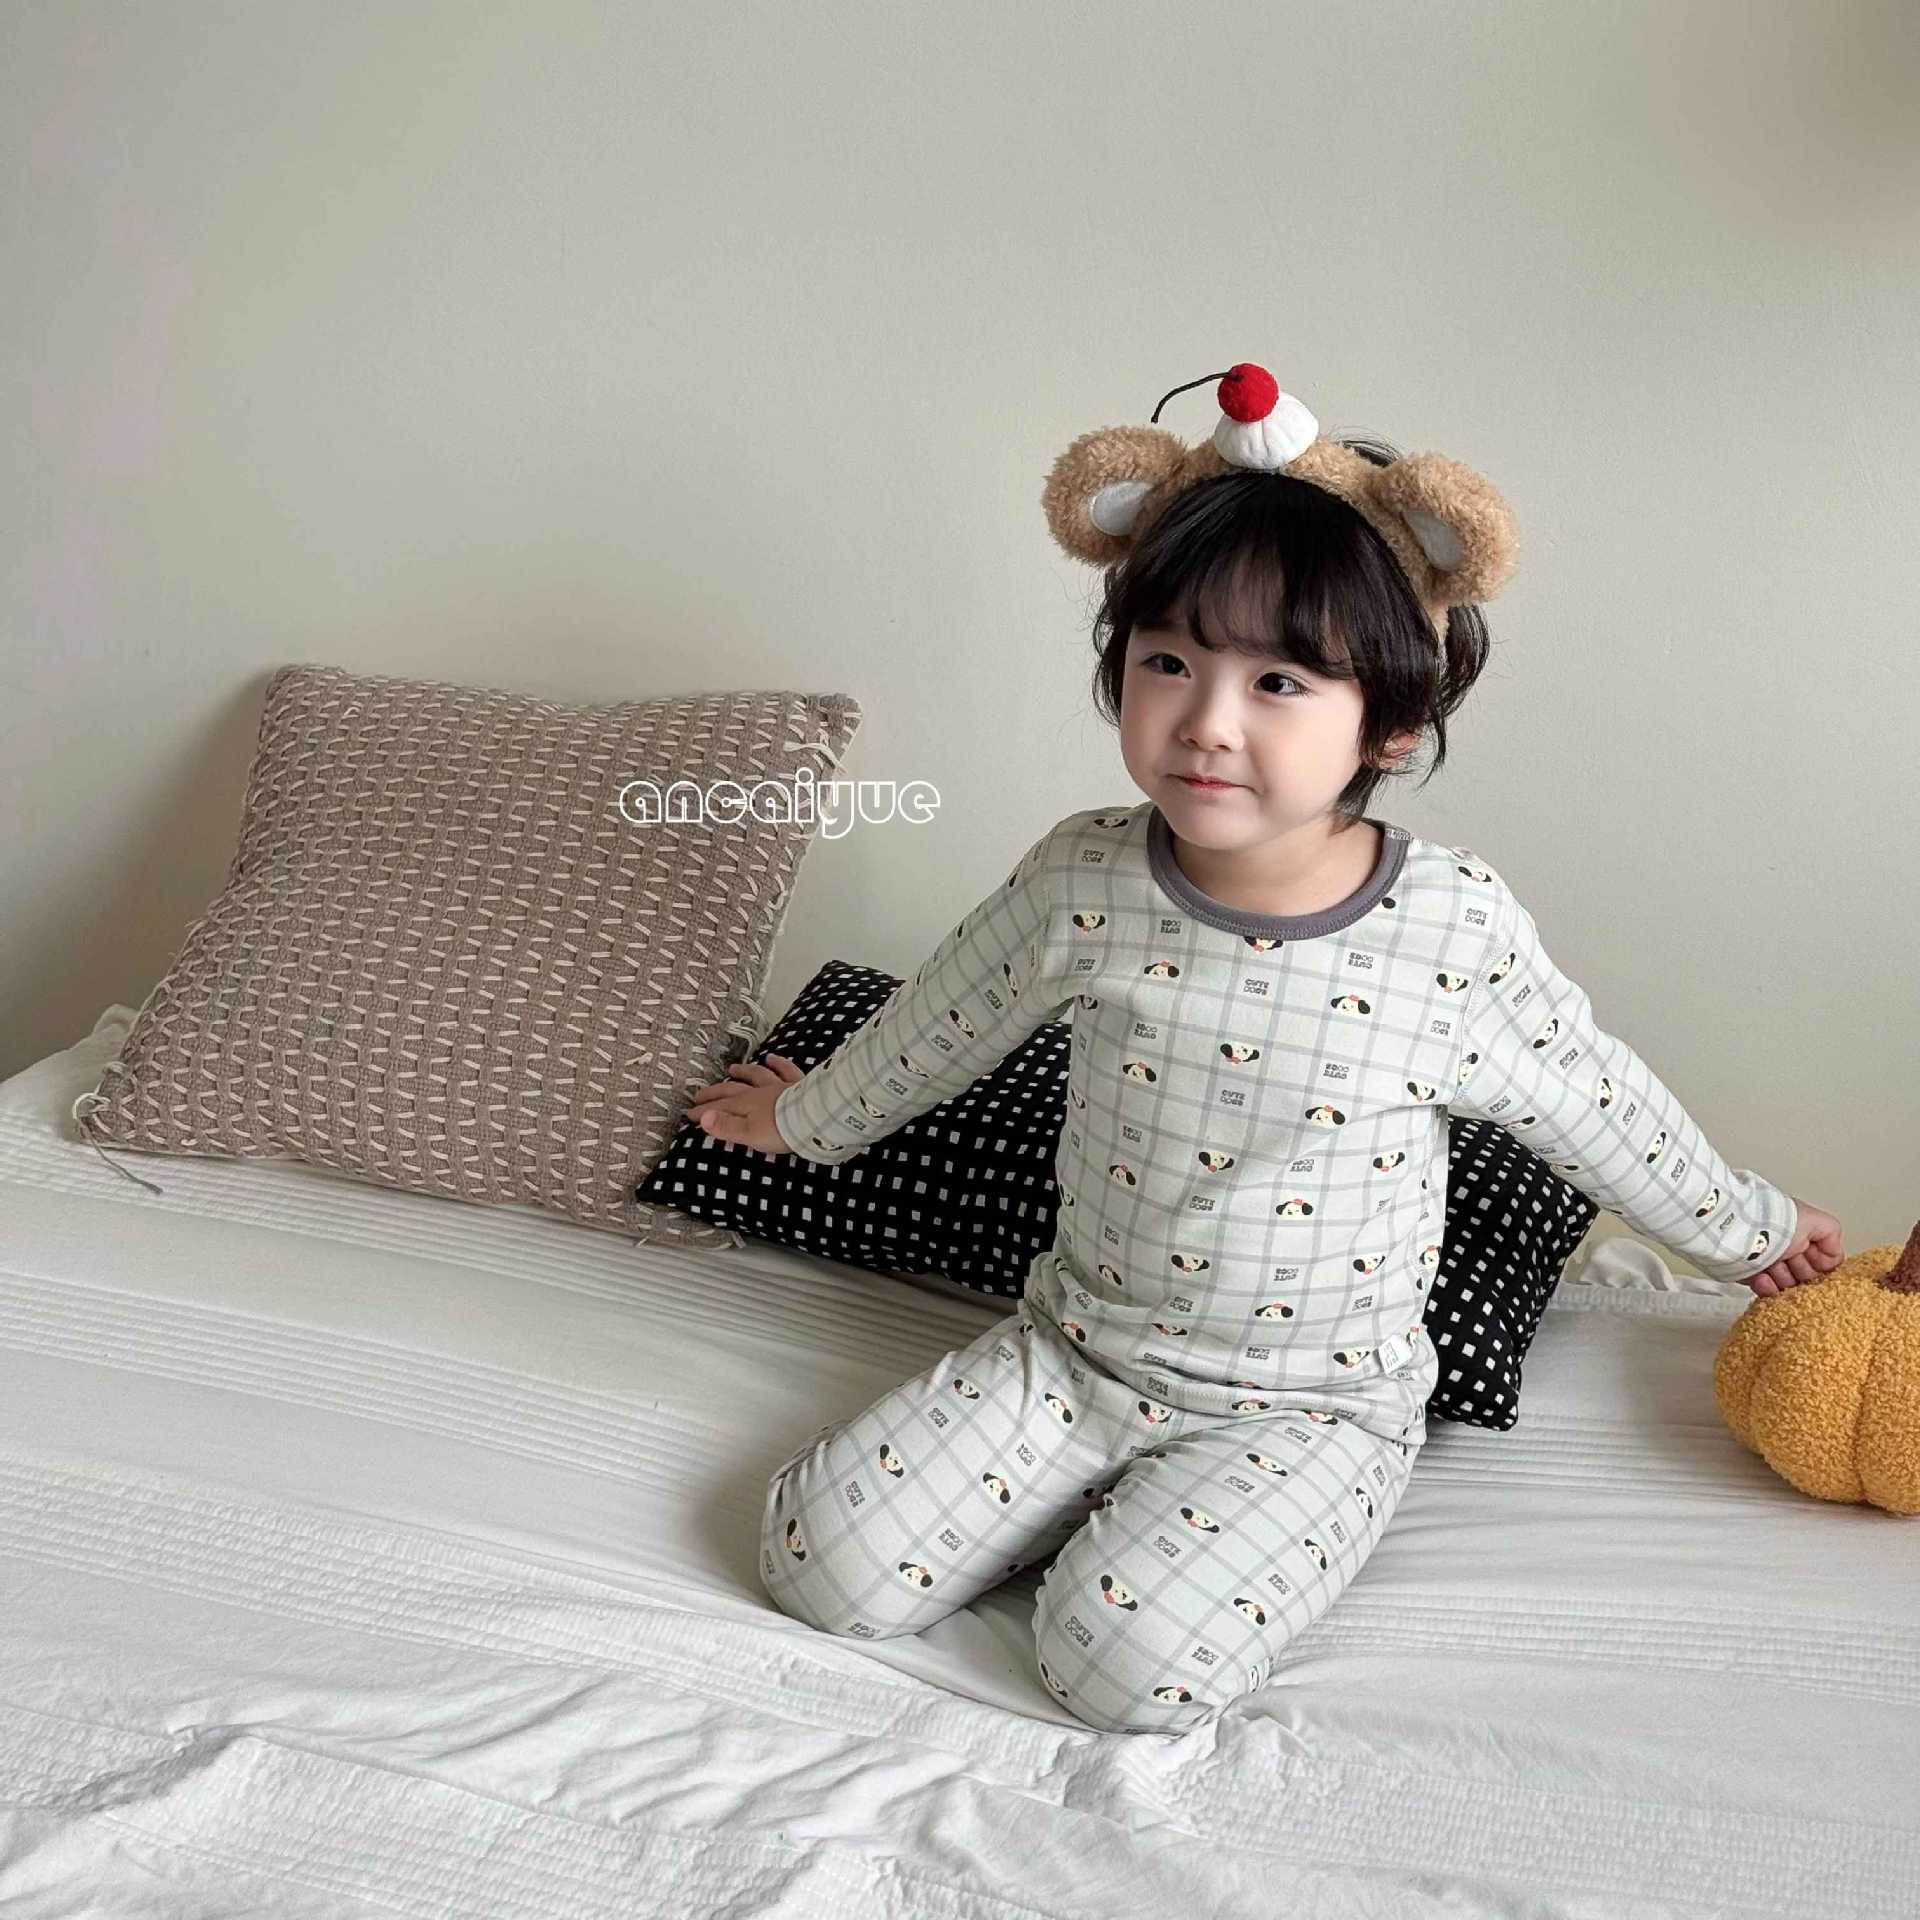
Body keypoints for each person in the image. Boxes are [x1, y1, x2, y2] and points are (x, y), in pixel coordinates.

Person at [685, 365, 1845, 1737]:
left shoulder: (1448, 930)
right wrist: (800, 1118)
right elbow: (942, 1022)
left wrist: (1749, 1231)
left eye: (1279, 680)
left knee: (1121, 1668)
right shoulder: (1081, 877)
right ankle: (1076, 1499)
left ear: (1391, 725)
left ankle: (1248, 1514)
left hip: (1311, 1407)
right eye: (1169, 662)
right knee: (818, 1566)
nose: (1207, 720)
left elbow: (1594, 1099)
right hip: (1076, 1350)